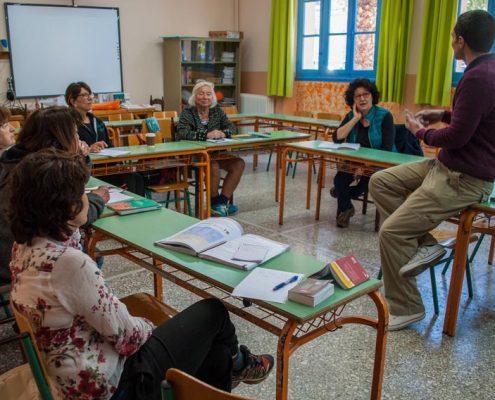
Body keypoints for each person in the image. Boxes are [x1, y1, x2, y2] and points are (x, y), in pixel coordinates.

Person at [9, 148, 274, 400]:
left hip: (70, 375)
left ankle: (231, 366)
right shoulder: (70, 264)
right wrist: (153, 325)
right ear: (65, 206)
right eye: (82, 193)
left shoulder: (25, 246)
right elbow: (127, 337)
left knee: (214, 352)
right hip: (113, 384)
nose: (87, 199)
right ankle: (238, 365)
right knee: (214, 312)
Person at [368, 10, 495, 331]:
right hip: (448, 166)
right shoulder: (486, 70)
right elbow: (474, 120)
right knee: (381, 182)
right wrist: (442, 113)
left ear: (460, 41)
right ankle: (426, 244)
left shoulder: (479, 77)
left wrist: (418, 131)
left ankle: (408, 307)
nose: (452, 43)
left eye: (453, 38)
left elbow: (458, 137)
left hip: (463, 179)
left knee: (392, 232)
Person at [0, 106, 109, 284]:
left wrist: (79, 158)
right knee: (94, 257)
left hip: (15, 254)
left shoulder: (12, 160)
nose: (78, 139)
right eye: (75, 134)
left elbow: (72, 187)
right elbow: (77, 216)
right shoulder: (43, 174)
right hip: (22, 263)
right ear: (60, 138)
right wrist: (97, 199)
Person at [329, 78, 395, 228]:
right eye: (357, 96)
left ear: (372, 96)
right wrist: (355, 119)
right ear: (353, 100)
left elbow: (386, 149)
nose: (362, 98)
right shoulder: (351, 115)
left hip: (379, 163)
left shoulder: (384, 116)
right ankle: (346, 207)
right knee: (340, 179)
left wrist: (366, 164)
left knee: (366, 182)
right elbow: (336, 138)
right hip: (355, 161)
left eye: (366, 94)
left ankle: (341, 195)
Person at [176, 81, 245, 217]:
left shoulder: (217, 111)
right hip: (196, 155)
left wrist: (223, 133)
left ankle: (222, 202)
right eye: (201, 94)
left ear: (212, 97)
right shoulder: (187, 112)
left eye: (208, 94)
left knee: (239, 164)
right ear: (195, 96)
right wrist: (207, 135)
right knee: (213, 166)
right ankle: (214, 203)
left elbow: (232, 127)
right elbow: (183, 133)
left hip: (217, 153)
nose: (205, 97)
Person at [65, 81, 145, 196]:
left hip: (107, 167)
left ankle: (140, 209)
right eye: (84, 95)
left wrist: (107, 148)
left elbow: (109, 145)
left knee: (138, 177)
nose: (90, 98)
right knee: (130, 179)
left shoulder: (97, 122)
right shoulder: (69, 124)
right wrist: (89, 148)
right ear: (73, 101)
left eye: (90, 94)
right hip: (87, 171)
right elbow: (68, 150)